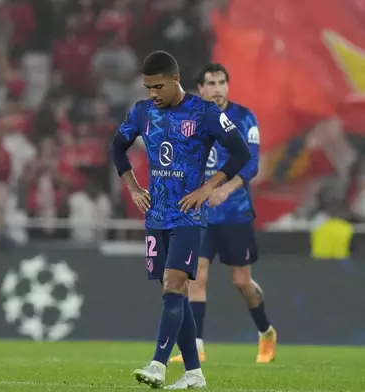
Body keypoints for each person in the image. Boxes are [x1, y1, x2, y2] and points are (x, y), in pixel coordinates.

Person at [110, 52, 251, 389]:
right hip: (155, 214)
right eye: (147, 87)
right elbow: (117, 147)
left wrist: (208, 187)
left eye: (158, 86)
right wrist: (132, 188)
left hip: (187, 215)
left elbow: (241, 152)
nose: (153, 93)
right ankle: (194, 374)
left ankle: (158, 365)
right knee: (175, 293)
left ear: (176, 79)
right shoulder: (143, 112)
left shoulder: (204, 112)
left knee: (174, 286)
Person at [169, 63, 277, 364]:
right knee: (197, 276)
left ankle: (265, 331)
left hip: (235, 214)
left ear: (228, 86)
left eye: (221, 82)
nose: (217, 88)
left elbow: (251, 164)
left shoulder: (244, 118)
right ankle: (197, 348)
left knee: (241, 282)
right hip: (201, 215)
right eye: (211, 83)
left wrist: (225, 190)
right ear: (200, 89)